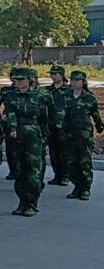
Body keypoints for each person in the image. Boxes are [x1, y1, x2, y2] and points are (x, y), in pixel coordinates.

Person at [5, 68, 50, 217]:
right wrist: (12, 128)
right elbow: (10, 113)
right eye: (16, 80)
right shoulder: (11, 96)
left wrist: (44, 138)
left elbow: (46, 118)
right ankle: (22, 202)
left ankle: (31, 203)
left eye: (22, 79)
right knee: (19, 171)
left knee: (33, 172)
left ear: (30, 80)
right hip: (17, 137)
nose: (18, 82)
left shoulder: (40, 96)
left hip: (34, 138)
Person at [64, 70, 104, 200]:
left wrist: (99, 127)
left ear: (84, 82)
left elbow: (96, 115)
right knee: (71, 162)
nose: (74, 82)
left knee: (84, 161)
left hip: (84, 134)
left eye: (77, 80)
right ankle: (77, 187)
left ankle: (86, 188)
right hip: (69, 134)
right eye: (72, 80)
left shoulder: (89, 98)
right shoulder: (66, 96)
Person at [45, 65, 72, 186]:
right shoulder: (48, 90)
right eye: (52, 74)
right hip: (50, 124)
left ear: (62, 75)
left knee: (64, 152)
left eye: (56, 74)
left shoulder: (69, 90)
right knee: (53, 152)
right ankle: (57, 175)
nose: (53, 76)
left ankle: (65, 176)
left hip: (64, 125)